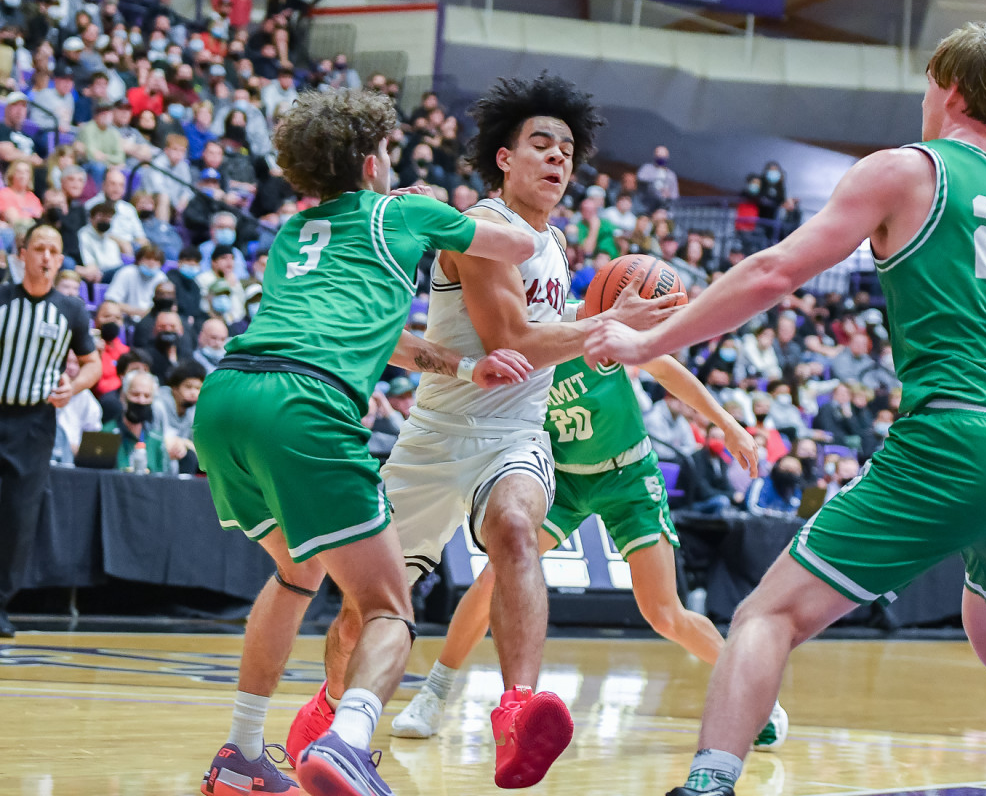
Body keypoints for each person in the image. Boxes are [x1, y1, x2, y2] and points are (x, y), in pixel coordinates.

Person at [585, 23, 986, 796]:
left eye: (925, 85)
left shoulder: (907, 171)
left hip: (959, 436)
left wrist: (652, 343)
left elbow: (776, 270)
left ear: (949, 89)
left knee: (766, 617)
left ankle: (708, 786)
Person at [284, 74, 679, 791]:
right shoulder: (479, 226)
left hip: (515, 436)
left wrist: (618, 334)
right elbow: (513, 337)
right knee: (360, 616)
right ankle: (335, 716)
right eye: (541, 144)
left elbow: (552, 342)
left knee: (517, 531)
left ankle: (518, 710)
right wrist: (609, 326)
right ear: (504, 157)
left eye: (566, 148)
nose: (558, 158)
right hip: (434, 436)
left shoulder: (555, 242)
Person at [192, 88, 539, 796]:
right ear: (375, 160)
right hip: (304, 406)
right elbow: (521, 242)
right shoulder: (402, 210)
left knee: (297, 574)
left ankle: (241, 754)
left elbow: (378, 338)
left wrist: (465, 365)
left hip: (227, 396)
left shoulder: (296, 232)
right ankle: (349, 739)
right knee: (387, 608)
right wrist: (435, 207)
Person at [388, 339, 790, 750]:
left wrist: (727, 423)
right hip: (562, 476)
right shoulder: (513, 342)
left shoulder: (590, 327)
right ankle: (433, 694)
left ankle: (754, 692)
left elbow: (665, 369)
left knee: (664, 614)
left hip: (627, 476)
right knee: (494, 576)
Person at [0, 226, 101, 638]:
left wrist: (72, 386)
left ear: (60, 260)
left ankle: (1, 605)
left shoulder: (71, 310)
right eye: (38, 248)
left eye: (53, 251)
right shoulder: (1, 299)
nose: (45, 256)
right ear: (21, 254)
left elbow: (92, 364)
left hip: (34, 425)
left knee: (18, 519)